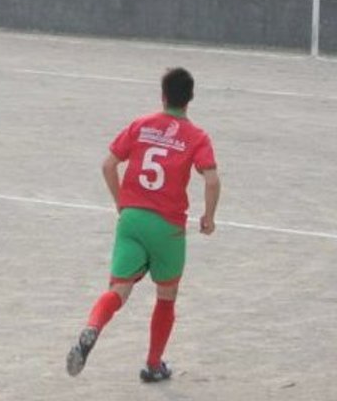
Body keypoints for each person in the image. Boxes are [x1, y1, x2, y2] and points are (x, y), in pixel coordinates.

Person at [66, 67, 221, 384]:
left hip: (132, 220)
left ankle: (92, 327)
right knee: (166, 296)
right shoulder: (197, 137)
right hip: (168, 227)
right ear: (190, 99)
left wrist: (121, 202)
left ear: (162, 96)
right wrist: (209, 217)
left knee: (118, 290)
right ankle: (153, 365)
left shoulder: (142, 125)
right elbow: (212, 180)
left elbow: (108, 164)